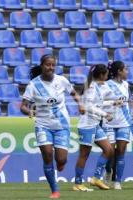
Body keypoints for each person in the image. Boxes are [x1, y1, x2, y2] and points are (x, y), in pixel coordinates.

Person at [20, 54, 84, 199]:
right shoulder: (33, 85)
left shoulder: (61, 80)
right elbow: (23, 106)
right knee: (48, 155)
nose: (51, 68)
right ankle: (54, 190)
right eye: (48, 65)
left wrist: (80, 104)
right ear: (42, 65)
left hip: (61, 125)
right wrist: (29, 111)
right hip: (42, 124)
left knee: (61, 159)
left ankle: (60, 164)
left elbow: (74, 93)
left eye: (53, 65)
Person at [73, 64, 114, 192]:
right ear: (101, 75)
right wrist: (105, 114)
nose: (107, 77)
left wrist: (113, 103)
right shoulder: (91, 87)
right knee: (84, 155)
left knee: (109, 150)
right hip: (87, 125)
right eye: (106, 74)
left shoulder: (96, 86)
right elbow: (88, 106)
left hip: (94, 124)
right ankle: (78, 183)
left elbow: (97, 103)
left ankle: (96, 178)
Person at [102, 61, 131, 190]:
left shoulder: (126, 85)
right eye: (125, 69)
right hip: (109, 122)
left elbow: (128, 103)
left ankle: (118, 181)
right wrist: (113, 102)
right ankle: (108, 171)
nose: (127, 72)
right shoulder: (106, 85)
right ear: (119, 71)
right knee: (110, 152)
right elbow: (100, 102)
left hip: (124, 122)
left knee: (121, 151)